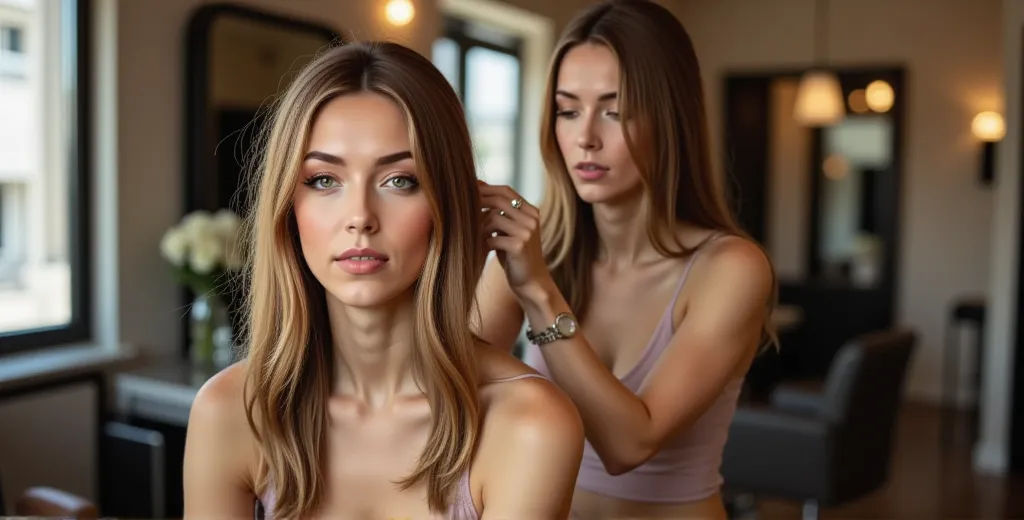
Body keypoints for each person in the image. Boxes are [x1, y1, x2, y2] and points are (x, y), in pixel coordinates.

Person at [183, 41, 584, 520]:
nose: (360, 218)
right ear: (289, 209)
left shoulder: (530, 423)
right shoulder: (229, 411)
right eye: (324, 180)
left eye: (400, 180)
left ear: (448, 205)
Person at [474, 1, 778, 518]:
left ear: (670, 118)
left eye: (615, 111)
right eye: (568, 110)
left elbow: (629, 445)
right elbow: (448, 393)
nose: (586, 136)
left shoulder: (730, 268)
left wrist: (539, 293)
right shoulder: (535, 247)